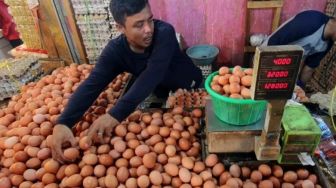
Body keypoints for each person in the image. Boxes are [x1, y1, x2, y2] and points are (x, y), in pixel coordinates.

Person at [51, 0, 203, 162]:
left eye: (149, 20)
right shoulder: (115, 51)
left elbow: (153, 73)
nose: (148, 29)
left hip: (190, 85)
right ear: (120, 28)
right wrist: (64, 122)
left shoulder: (164, 33)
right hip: (161, 92)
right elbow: (92, 85)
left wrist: (115, 115)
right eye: (139, 25)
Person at [262, 10, 336, 87]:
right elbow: (274, 42)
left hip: (289, 68)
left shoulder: (328, 43)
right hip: (269, 55)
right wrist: (266, 70)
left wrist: (300, 88)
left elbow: (309, 68)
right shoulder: (312, 20)